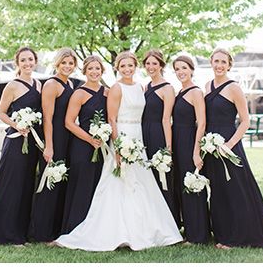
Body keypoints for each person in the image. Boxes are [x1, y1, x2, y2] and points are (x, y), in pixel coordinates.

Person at [55, 51, 182, 251]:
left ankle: (147, 229)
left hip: (138, 137)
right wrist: (118, 147)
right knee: (118, 182)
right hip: (121, 136)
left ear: (135, 67)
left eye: (130, 65)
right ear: (116, 68)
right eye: (122, 66)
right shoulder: (115, 88)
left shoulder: (141, 87)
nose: (127, 69)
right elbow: (111, 119)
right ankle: (117, 231)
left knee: (142, 181)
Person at [200, 48, 263, 248]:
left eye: (223, 62)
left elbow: (245, 121)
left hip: (228, 144)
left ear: (229, 65)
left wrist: (229, 145)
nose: (219, 65)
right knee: (218, 190)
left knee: (235, 190)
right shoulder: (207, 85)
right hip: (210, 145)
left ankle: (240, 236)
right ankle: (224, 235)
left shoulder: (234, 88)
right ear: (211, 62)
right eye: (216, 61)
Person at [0, 47, 44, 246]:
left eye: (31, 59)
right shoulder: (12, 85)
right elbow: (1, 113)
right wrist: (16, 124)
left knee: (27, 186)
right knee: (12, 186)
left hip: (33, 142)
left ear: (35, 61)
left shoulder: (38, 84)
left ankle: (22, 233)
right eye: (23, 60)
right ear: (17, 63)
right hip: (16, 141)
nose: (27, 63)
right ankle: (6, 235)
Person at [28, 48, 76, 243]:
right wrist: (49, 146)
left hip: (67, 137)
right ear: (57, 64)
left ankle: (56, 230)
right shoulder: (51, 85)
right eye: (63, 63)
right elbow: (47, 119)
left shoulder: (70, 83)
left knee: (61, 183)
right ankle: (42, 233)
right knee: (49, 183)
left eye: (71, 63)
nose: (67, 66)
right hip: (53, 136)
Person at [58, 55, 107, 236]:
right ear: (85, 71)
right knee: (81, 186)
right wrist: (89, 139)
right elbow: (69, 122)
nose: (94, 72)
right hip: (82, 145)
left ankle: (94, 230)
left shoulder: (108, 92)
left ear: (102, 71)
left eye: (97, 69)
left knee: (98, 187)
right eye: (90, 69)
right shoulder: (79, 93)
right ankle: (73, 229)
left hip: (102, 147)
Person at [170, 55, 209, 245]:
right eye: (177, 69)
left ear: (192, 69)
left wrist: (196, 152)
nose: (181, 72)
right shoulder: (179, 92)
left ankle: (198, 235)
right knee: (181, 186)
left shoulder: (195, 92)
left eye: (184, 68)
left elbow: (201, 123)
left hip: (188, 141)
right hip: (177, 140)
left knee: (191, 184)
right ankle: (190, 229)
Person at [141, 49, 177, 222]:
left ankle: (170, 221)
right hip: (144, 134)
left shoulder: (168, 88)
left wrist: (168, 149)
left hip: (158, 134)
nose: (151, 67)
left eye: (154, 63)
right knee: (147, 179)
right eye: (148, 64)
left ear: (161, 65)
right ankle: (151, 220)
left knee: (161, 177)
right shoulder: (146, 86)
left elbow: (166, 120)